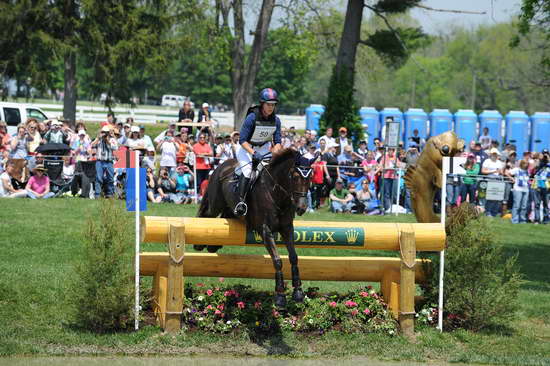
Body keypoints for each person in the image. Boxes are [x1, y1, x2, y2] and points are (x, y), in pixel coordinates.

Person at [233, 88, 282, 216]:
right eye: (268, 104)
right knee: (249, 171)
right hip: (246, 148)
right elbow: (242, 140)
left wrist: (274, 153)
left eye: (273, 104)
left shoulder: (276, 120)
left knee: (270, 172)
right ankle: (241, 202)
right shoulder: (252, 117)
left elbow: (277, 142)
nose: (271, 107)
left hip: (264, 149)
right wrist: (254, 153)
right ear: (262, 103)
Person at [91, 125, 117, 198]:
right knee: (98, 178)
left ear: (108, 133)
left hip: (109, 161)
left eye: (105, 132)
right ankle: (97, 194)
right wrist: (98, 138)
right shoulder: (98, 139)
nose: (104, 134)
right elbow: (91, 145)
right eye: (103, 132)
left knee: (110, 178)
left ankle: (110, 194)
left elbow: (115, 147)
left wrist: (107, 141)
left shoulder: (112, 139)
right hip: (99, 161)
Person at [481, 148, 504, 217]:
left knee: (497, 197)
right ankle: (488, 211)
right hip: (490, 179)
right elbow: (483, 171)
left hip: (498, 179)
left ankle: (494, 212)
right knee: (490, 197)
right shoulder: (487, 161)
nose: (494, 155)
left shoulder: (499, 162)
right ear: (491, 154)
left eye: (495, 154)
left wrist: (500, 172)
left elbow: (501, 172)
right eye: (493, 154)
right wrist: (493, 171)